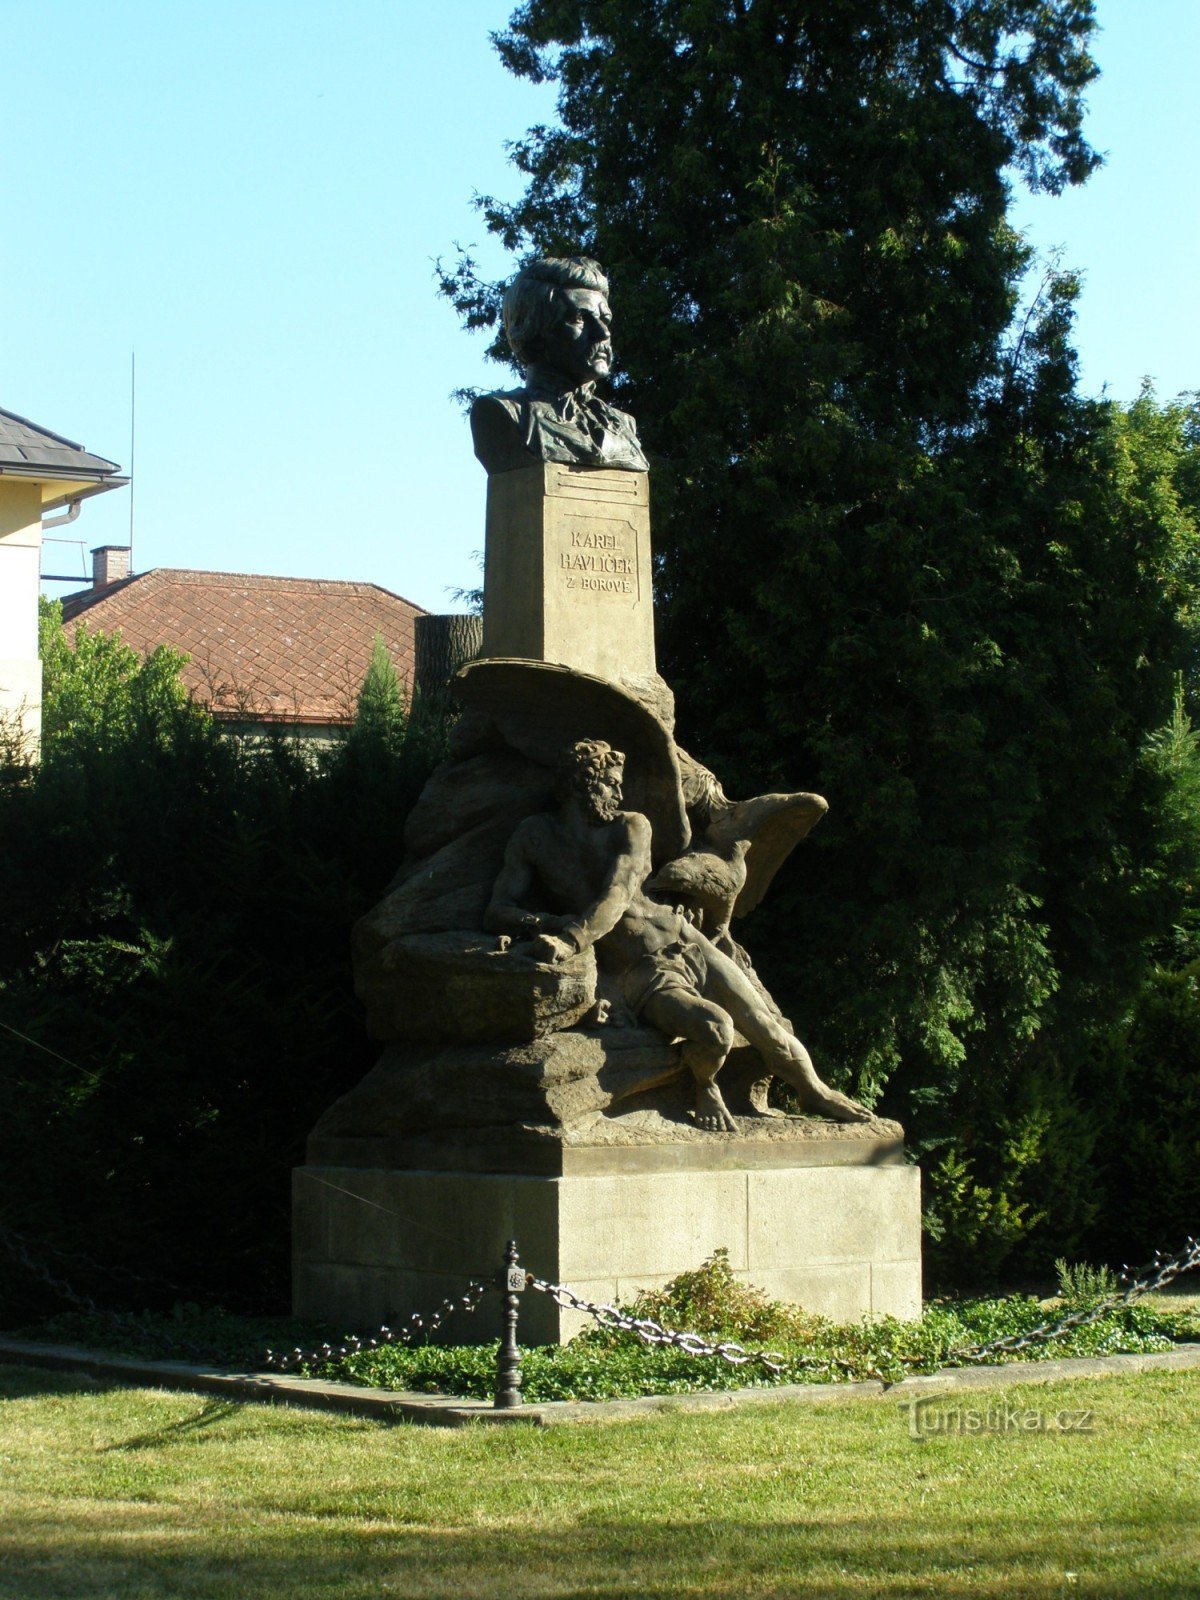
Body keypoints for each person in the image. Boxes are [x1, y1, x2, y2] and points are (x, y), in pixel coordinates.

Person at [484, 739, 872, 1132]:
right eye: (610, 784)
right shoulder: (534, 836)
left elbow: (618, 893)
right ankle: (705, 1083)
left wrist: (571, 938)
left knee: (767, 1028)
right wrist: (541, 925)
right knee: (717, 1029)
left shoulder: (631, 825)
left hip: (685, 939)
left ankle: (815, 1091)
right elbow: (498, 909)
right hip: (642, 973)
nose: (619, 793)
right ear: (579, 785)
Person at [470, 257, 650, 475]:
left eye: (605, 319)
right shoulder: (505, 414)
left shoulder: (624, 426)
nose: (603, 333)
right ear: (534, 329)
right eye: (579, 318)